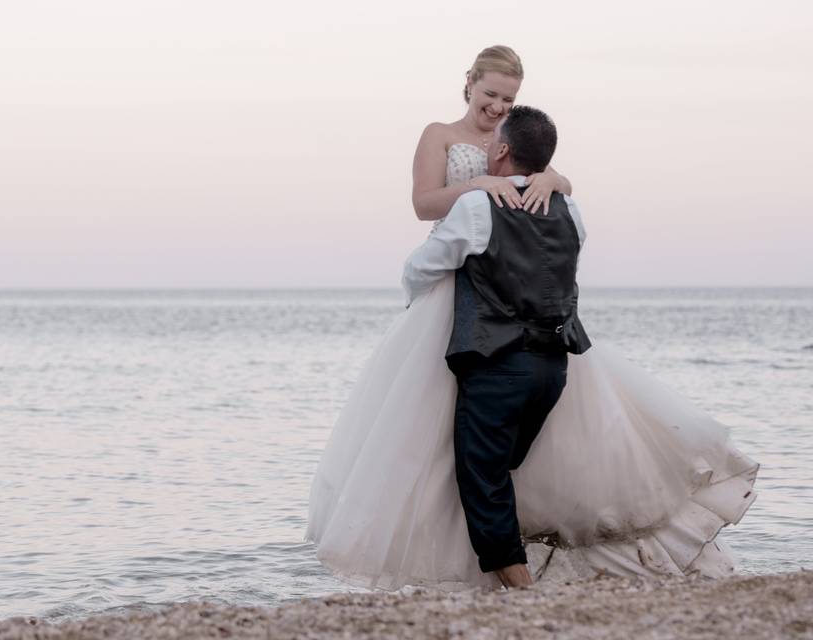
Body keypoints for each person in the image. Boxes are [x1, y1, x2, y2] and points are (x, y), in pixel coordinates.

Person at [306, 46, 758, 590]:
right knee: (436, 437)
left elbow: (553, 182)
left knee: (500, 443)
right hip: (458, 281)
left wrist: (551, 181)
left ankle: (511, 556)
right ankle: (460, 560)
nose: (497, 106)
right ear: (468, 84)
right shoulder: (439, 135)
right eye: (489, 94)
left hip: (510, 288)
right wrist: (478, 186)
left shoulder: (521, 138)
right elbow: (424, 204)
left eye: (508, 99)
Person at [402, 105, 590, 588]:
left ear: (503, 151)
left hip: (496, 363)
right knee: (505, 465)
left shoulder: (477, 207)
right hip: (553, 369)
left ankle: (522, 587)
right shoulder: (572, 209)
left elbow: (419, 269)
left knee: (480, 476)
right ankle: (525, 569)